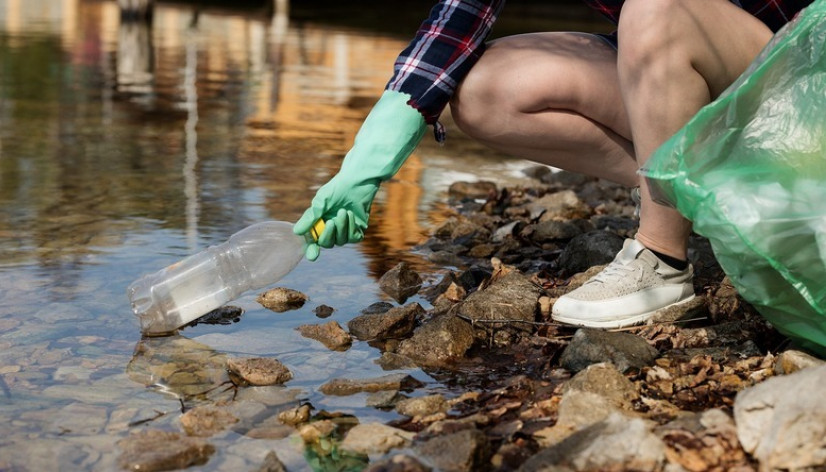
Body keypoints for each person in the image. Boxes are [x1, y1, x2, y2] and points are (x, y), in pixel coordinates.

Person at [293, 0, 813, 329]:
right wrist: (372, 152)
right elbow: (460, 14)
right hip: (710, 77)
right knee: (484, 89)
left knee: (656, 8)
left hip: (805, 90)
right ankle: (699, 191)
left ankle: (662, 260)